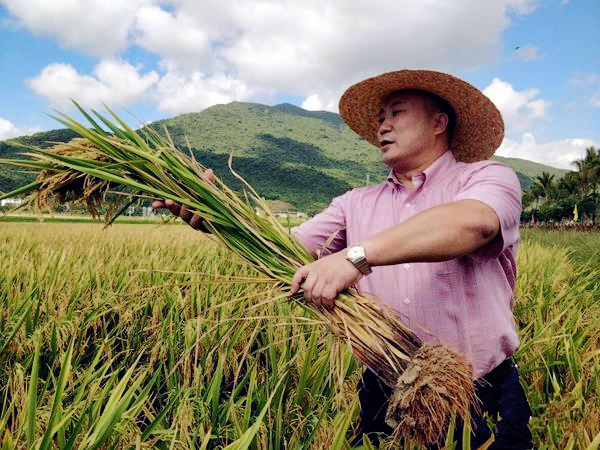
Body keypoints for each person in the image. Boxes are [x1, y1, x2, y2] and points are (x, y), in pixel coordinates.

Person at [154, 69, 533, 448]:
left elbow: (474, 223)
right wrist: (219, 214)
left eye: (396, 113)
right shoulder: (355, 202)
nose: (382, 125)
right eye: (380, 117)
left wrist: (355, 258)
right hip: (388, 392)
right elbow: (284, 247)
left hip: (480, 391)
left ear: (439, 122)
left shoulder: (486, 178)